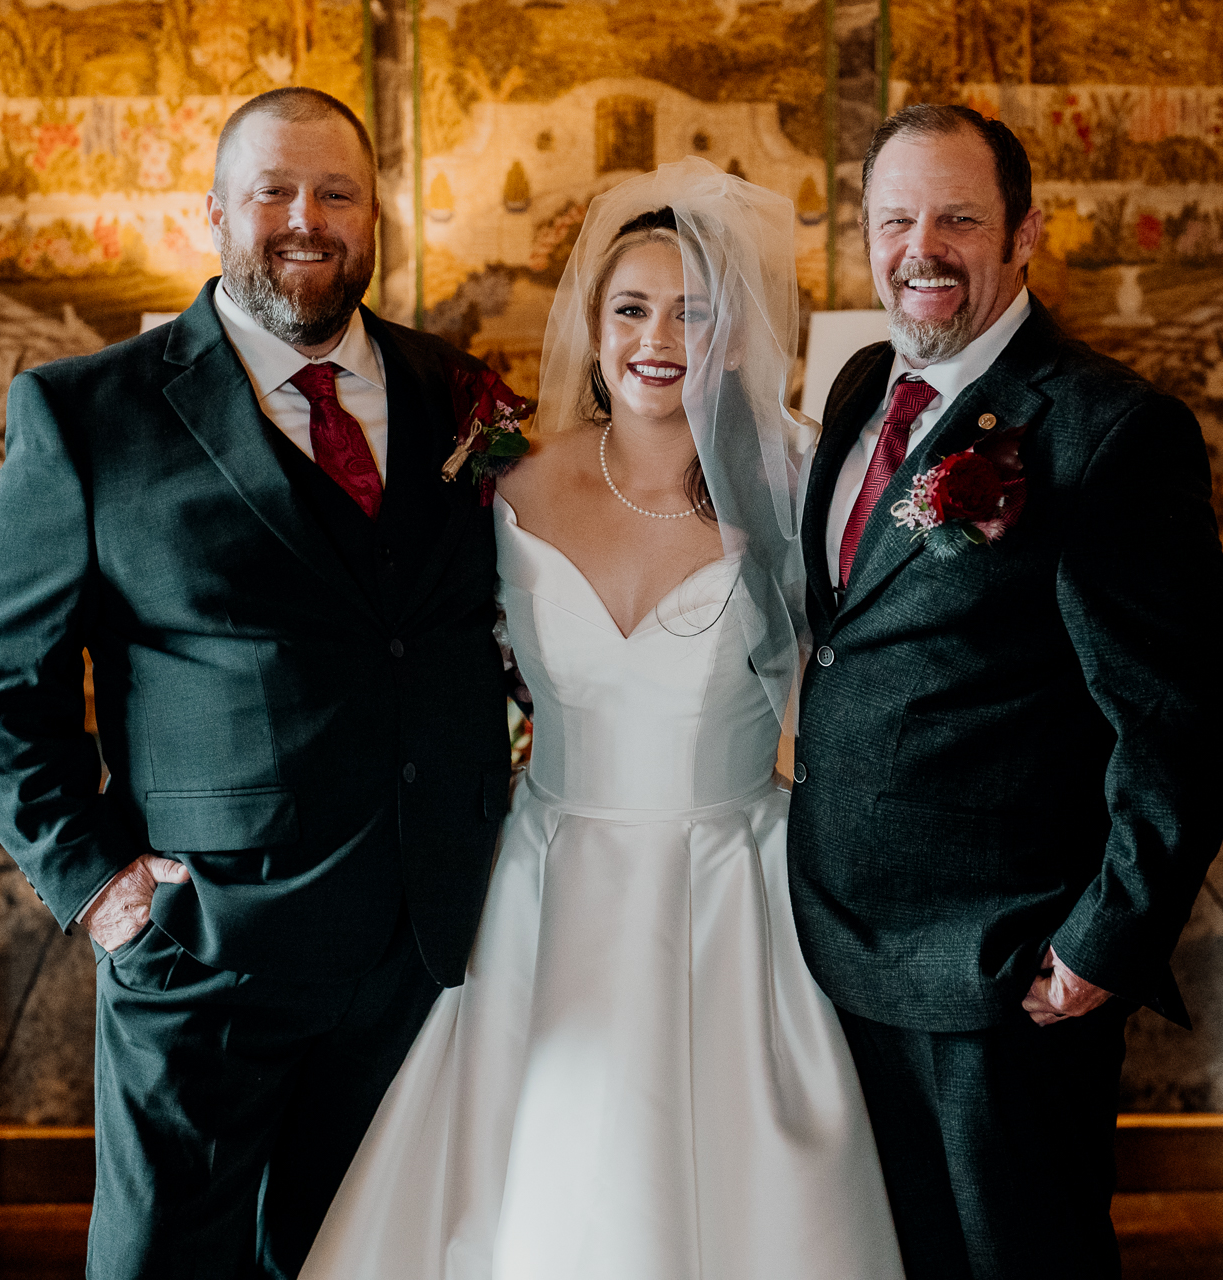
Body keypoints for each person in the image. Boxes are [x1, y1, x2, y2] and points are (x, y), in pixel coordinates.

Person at [300, 157, 905, 1280]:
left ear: (733, 332)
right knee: (537, 1175)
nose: (656, 335)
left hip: (731, 887)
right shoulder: (508, 478)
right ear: (592, 321)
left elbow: (868, 675)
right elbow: (417, 651)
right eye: (631, 307)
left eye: (691, 310)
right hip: (546, 879)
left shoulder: (794, 488)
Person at [0, 88, 511, 1279]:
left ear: (377, 219)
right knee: (165, 1259)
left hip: (420, 946)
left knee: (366, 1254)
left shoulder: (461, 395)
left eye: (337, 193)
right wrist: (94, 881)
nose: (307, 218)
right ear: (214, 212)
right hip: (203, 946)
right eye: (274, 192)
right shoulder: (87, 412)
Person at [787, 103, 1223, 1279]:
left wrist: (1103, 941)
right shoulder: (855, 391)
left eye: (958, 218)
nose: (921, 248)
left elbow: (1180, 715)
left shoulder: (1111, 429)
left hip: (1002, 971)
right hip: (833, 955)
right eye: (896, 219)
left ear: (1027, 230)